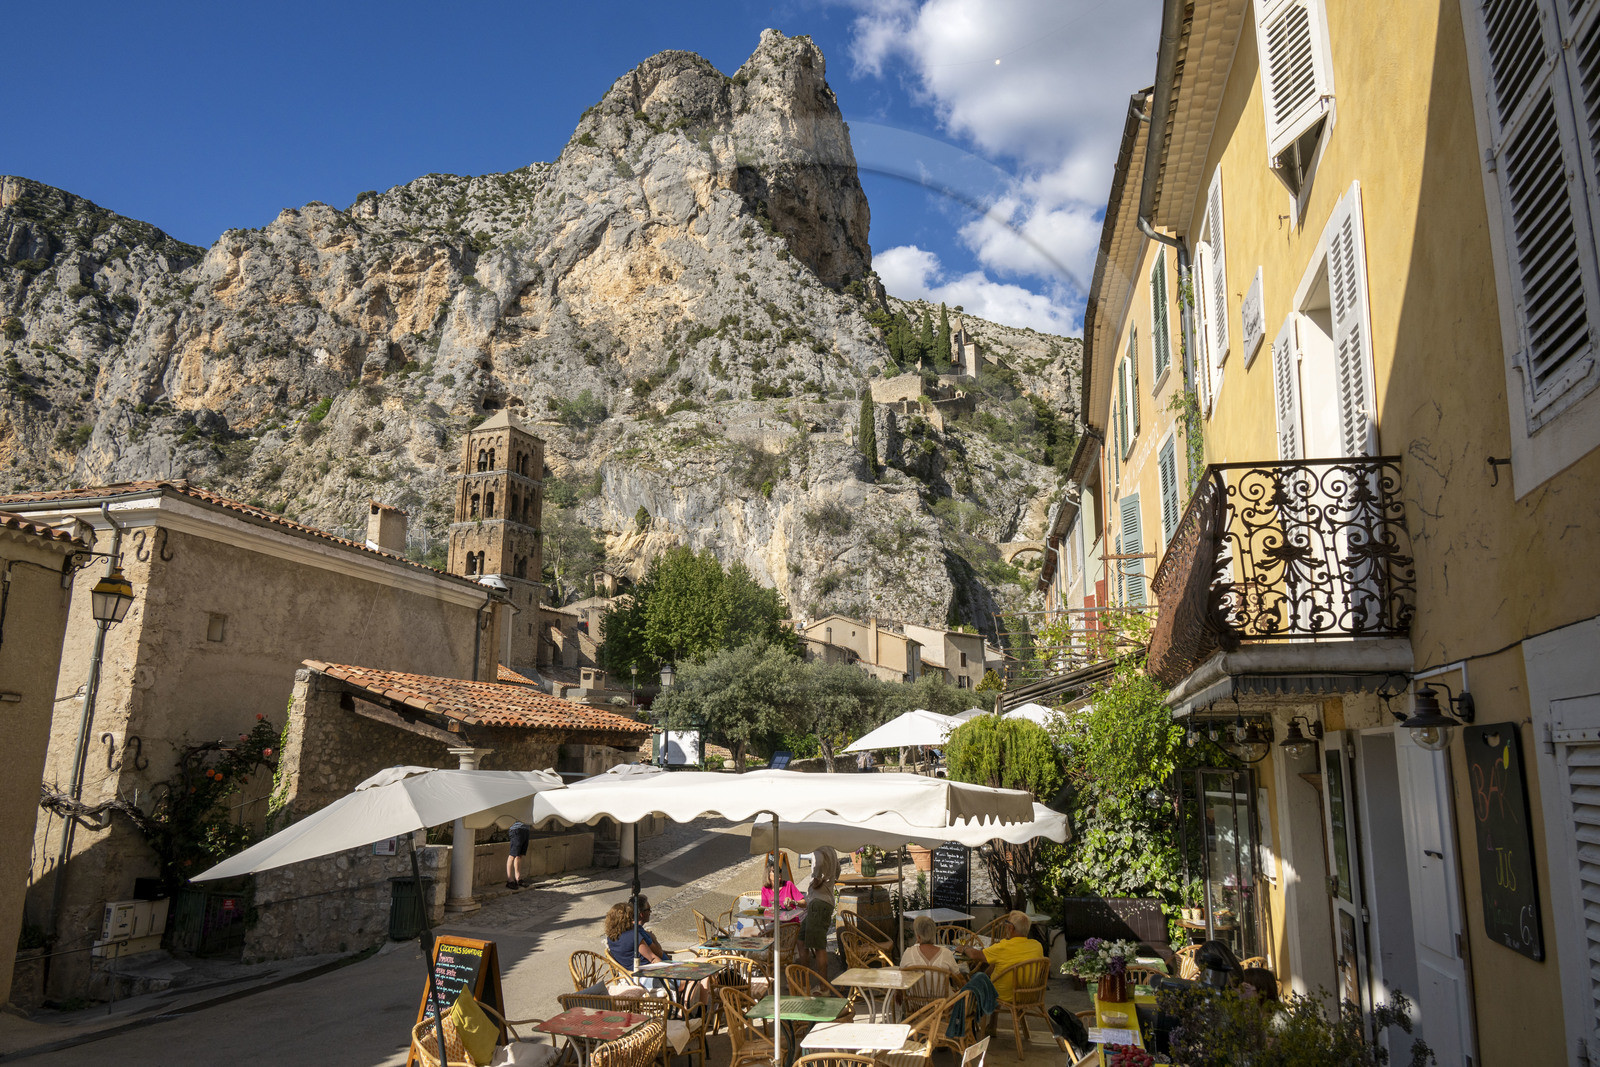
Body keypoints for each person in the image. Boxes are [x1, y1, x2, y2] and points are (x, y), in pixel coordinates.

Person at [957, 910, 1043, 1001]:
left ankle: (973, 1010)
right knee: (995, 965)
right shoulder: (1037, 945)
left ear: (1011, 928)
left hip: (1004, 994)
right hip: (1031, 995)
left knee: (977, 978)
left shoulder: (1003, 947)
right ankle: (995, 1014)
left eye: (1006, 923)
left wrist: (964, 948)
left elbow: (974, 955)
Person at [899, 915, 961, 1000]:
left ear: (918, 936)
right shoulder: (946, 953)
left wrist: (898, 994)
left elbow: (900, 978)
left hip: (916, 1005)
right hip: (943, 1006)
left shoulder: (908, 953)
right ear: (934, 934)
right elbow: (960, 980)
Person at [801, 845, 839, 975]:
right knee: (801, 936)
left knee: (819, 946)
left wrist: (815, 882)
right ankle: (803, 977)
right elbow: (838, 872)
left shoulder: (818, 850)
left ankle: (823, 987)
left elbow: (817, 873)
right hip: (825, 901)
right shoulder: (831, 850)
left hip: (818, 902)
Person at [506, 820, 530, 890]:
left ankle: (518, 879)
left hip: (526, 829)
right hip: (516, 829)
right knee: (512, 855)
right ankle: (510, 880)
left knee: (519, 855)